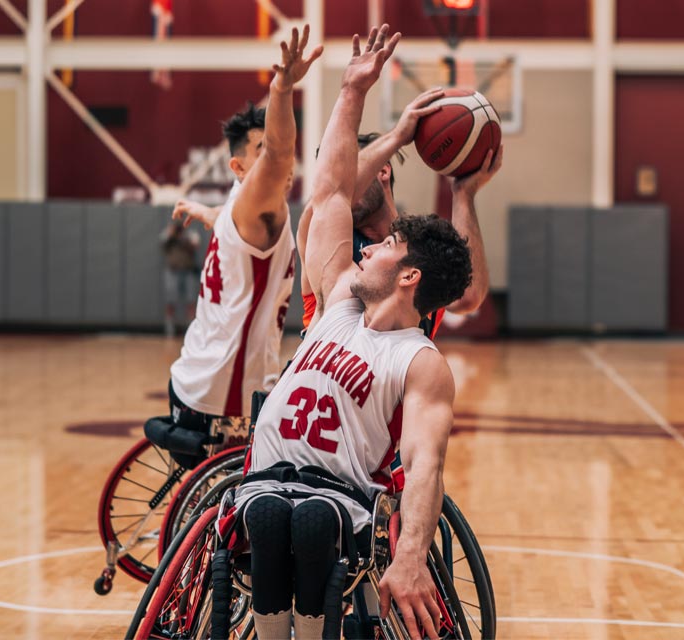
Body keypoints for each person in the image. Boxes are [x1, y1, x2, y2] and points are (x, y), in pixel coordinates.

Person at [232, 25, 471, 640]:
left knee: (310, 523)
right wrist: (351, 91)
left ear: (410, 274)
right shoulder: (338, 300)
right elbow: (333, 189)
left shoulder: (421, 362)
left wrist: (413, 553)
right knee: (264, 514)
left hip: (336, 498)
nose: (371, 250)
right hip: (264, 478)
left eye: (389, 245)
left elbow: (424, 464)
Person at [145, 26, 322, 450]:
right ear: (239, 168)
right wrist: (281, 90)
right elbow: (281, 155)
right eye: (259, 150)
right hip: (227, 394)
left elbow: (229, 218)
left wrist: (203, 212)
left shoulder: (236, 206)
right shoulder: (256, 205)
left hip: (197, 374)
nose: (277, 160)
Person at [297, 96, 504, 338]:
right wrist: (397, 136)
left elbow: (467, 297)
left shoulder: (421, 248)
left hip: (396, 374)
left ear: (382, 170)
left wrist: (463, 194)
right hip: (325, 370)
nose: (343, 187)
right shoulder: (326, 237)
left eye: (351, 175)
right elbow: (330, 195)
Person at [160, 220, 200, 337]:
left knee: (191, 301)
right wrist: (172, 235)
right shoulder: (168, 234)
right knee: (170, 300)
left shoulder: (191, 234)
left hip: (188, 271)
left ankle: (192, 331)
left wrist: (182, 238)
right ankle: (170, 330)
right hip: (173, 271)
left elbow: (195, 245)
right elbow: (163, 244)